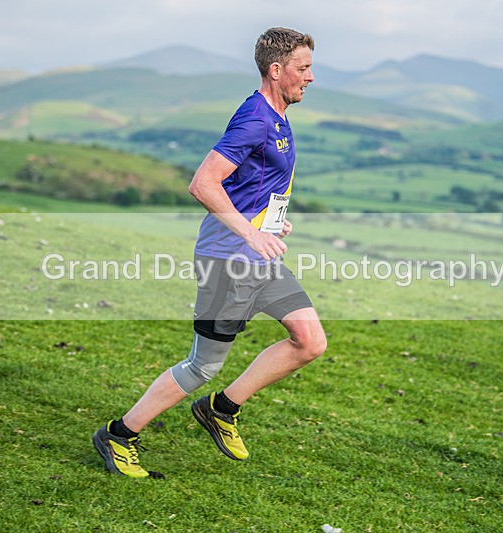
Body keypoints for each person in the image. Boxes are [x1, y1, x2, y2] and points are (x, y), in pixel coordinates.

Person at [92, 27, 327, 477]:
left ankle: (221, 409)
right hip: (228, 261)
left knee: (310, 341)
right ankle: (118, 434)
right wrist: (251, 233)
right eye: (303, 68)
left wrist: (270, 224)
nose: (310, 77)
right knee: (203, 365)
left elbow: (252, 186)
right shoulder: (255, 118)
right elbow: (203, 183)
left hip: (259, 258)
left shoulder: (277, 116)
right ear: (276, 70)